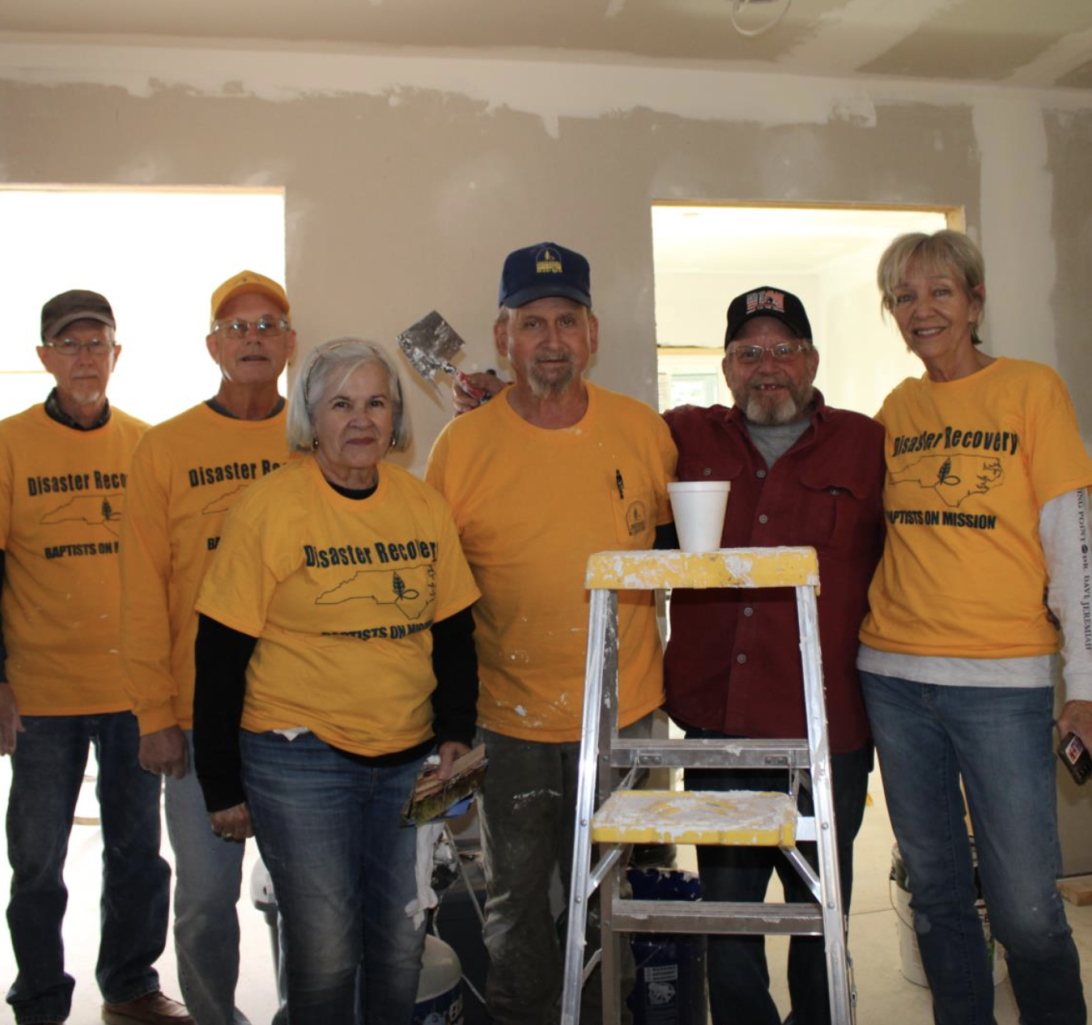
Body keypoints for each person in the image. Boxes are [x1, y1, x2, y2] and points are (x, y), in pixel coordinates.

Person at [857, 229, 1092, 1025]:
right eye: (904, 296)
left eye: (940, 291)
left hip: (1003, 683)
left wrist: (1086, 684)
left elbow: (1070, 545)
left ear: (975, 301)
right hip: (894, 679)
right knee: (936, 897)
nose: (922, 309)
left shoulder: (1032, 389)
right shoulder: (897, 409)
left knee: (1026, 909)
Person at [192, 339, 481, 1025]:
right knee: (325, 955)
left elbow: (453, 633)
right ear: (311, 419)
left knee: (400, 947)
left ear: (394, 416)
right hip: (299, 759)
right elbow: (220, 653)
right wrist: (221, 783)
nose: (360, 419)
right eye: (341, 404)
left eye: (376, 402)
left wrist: (454, 731)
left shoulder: (422, 505)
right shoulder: (269, 508)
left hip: (408, 760)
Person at [426, 241, 676, 1025]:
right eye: (532, 323)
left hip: (626, 714)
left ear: (592, 333)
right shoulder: (461, 446)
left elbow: (681, 555)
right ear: (503, 336)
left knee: (621, 897)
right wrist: (444, 724)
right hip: (510, 723)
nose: (552, 340)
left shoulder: (643, 433)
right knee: (517, 907)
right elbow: (439, 599)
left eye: (567, 320)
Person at [0, 289, 190, 1025]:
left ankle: (130, 986)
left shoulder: (146, 445)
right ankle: (41, 998)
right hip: (40, 696)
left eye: (97, 344)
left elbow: (171, 569)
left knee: (138, 852)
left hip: (131, 693)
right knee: (37, 860)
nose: (84, 358)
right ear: (45, 357)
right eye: (69, 345)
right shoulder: (5, 444)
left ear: (117, 354)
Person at [661, 286, 885, 1024]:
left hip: (828, 727)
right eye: (749, 352)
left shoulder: (867, 445)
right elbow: (592, 442)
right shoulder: (681, 436)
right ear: (726, 367)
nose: (768, 366)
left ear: (812, 360)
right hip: (719, 725)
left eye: (784, 349)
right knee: (729, 920)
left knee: (821, 915)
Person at [119, 270, 297, 1025]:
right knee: (202, 900)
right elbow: (139, 589)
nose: (253, 339)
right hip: (198, 719)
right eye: (237, 328)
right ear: (212, 346)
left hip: (300, 716)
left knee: (310, 895)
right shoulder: (164, 448)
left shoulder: (315, 438)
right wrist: (153, 714)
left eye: (268, 326)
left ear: (290, 344)